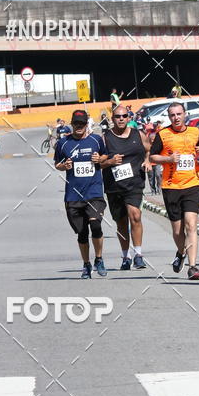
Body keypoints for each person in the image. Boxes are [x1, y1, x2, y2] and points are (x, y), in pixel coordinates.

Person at [150, 102, 199, 281]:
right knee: (177, 230)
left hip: (191, 184)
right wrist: (169, 159)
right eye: (172, 115)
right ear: (169, 117)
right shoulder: (163, 134)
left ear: (185, 114)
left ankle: (193, 267)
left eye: (179, 114)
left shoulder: (195, 132)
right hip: (171, 186)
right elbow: (152, 156)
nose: (176, 118)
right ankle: (181, 252)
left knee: (191, 225)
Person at [54, 109, 108, 279]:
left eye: (82, 123)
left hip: (94, 192)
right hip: (73, 195)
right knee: (82, 232)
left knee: (96, 224)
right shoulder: (63, 143)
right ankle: (86, 264)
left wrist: (100, 159)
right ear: (71, 124)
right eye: (76, 123)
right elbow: (57, 164)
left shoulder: (96, 140)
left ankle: (99, 258)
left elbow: (106, 155)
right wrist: (64, 166)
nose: (79, 126)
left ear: (86, 124)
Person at [100, 104, 151, 270]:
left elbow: (149, 149)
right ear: (112, 119)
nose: (121, 119)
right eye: (117, 116)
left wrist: (147, 161)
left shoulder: (138, 134)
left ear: (129, 118)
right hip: (114, 186)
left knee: (135, 215)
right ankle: (125, 256)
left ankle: (138, 255)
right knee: (121, 222)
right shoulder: (105, 138)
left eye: (124, 116)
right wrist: (110, 161)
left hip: (134, 184)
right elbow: (98, 163)